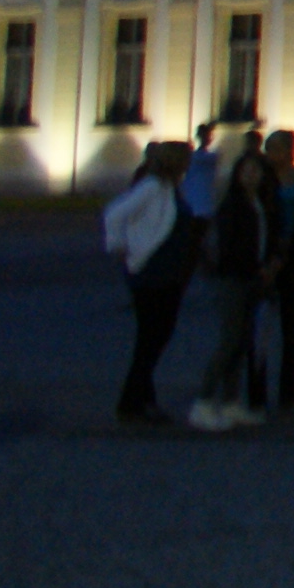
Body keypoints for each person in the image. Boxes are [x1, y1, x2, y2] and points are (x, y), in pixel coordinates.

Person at [106, 139, 200, 426]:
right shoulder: (152, 187)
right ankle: (132, 402)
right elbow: (115, 214)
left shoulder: (170, 188)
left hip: (167, 274)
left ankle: (141, 400)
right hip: (151, 273)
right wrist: (121, 247)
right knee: (151, 340)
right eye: (185, 159)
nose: (189, 165)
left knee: (153, 339)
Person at [184, 137, 274, 432]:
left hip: (250, 278)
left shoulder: (258, 203)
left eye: (256, 171)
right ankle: (203, 402)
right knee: (229, 342)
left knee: (241, 343)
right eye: (246, 171)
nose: (251, 176)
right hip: (233, 279)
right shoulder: (233, 206)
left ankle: (231, 401)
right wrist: (254, 268)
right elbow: (231, 247)